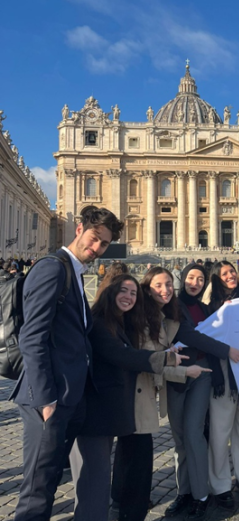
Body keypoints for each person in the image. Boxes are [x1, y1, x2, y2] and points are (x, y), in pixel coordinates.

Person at [11, 205, 124, 521]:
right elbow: (32, 337)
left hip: (69, 397)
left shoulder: (73, 271)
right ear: (79, 229)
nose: (97, 248)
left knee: (48, 482)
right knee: (37, 489)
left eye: (104, 244)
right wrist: (46, 398)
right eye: (94, 238)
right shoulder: (53, 268)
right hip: (48, 398)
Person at [70, 274, 182, 521]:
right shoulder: (99, 323)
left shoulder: (119, 322)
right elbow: (123, 356)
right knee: (94, 480)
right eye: (124, 291)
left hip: (110, 410)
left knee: (98, 479)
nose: (129, 297)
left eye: (133, 293)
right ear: (110, 292)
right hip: (95, 412)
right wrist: (166, 358)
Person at [109, 268, 207, 521]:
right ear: (148, 287)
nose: (166, 290)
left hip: (142, 390)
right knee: (136, 453)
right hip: (134, 391)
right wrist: (183, 370)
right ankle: (128, 508)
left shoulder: (160, 314)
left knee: (132, 451)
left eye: (169, 285)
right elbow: (148, 359)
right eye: (159, 285)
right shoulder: (141, 317)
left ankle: (123, 503)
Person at [165, 264, 232, 520]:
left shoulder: (204, 308)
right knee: (180, 438)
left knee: (194, 433)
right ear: (183, 278)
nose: (195, 282)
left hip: (202, 373)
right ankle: (184, 491)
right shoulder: (173, 305)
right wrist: (226, 351)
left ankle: (201, 495)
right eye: (191, 278)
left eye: (201, 279)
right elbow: (187, 334)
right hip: (177, 374)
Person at [207, 261, 239, 509]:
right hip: (223, 374)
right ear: (216, 278)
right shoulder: (209, 305)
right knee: (219, 432)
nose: (230, 276)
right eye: (224, 273)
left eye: (232, 272)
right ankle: (220, 485)